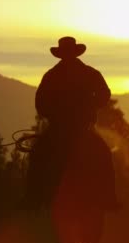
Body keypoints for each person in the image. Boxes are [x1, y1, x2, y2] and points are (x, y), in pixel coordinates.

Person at [25, 36, 119, 211]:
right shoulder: (90, 73)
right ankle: (109, 199)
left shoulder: (52, 75)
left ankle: (32, 199)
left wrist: (52, 113)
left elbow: (40, 103)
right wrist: (91, 105)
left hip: (58, 130)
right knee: (104, 155)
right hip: (82, 129)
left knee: (37, 155)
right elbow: (104, 95)